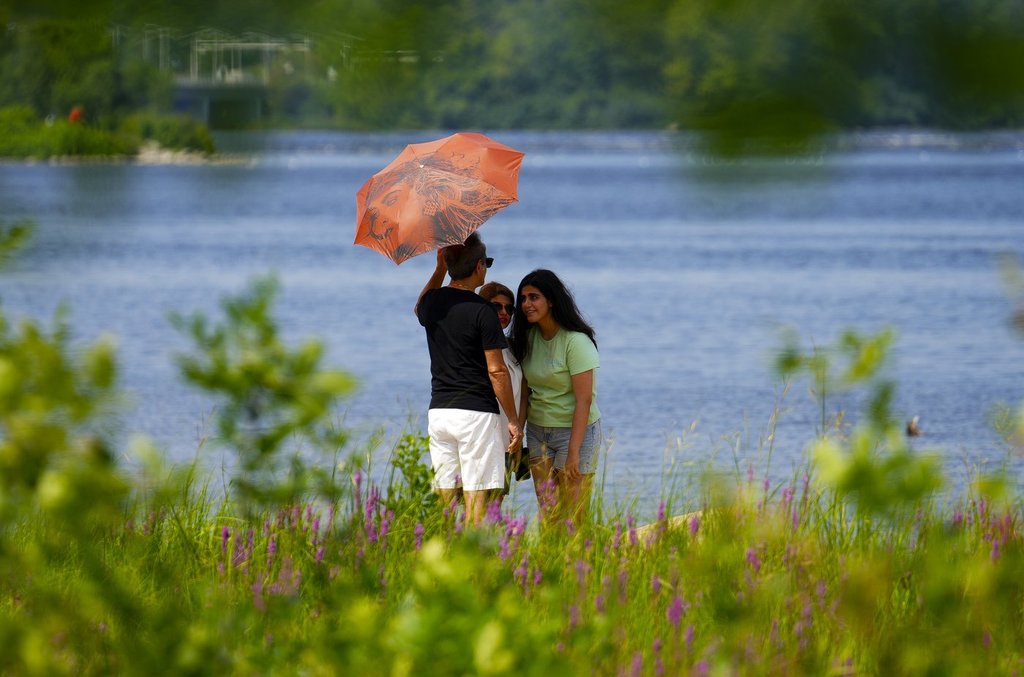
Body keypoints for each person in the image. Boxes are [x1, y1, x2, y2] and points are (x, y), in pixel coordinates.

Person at [415, 233, 523, 525]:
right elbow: (497, 370)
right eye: (485, 263)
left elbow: (419, 308)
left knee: (446, 497)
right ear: (478, 267)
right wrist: (513, 421)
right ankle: (473, 564)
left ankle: (446, 558)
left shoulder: (433, 303)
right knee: (477, 499)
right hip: (476, 414)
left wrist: (439, 269)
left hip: (439, 413)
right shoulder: (482, 310)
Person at [509, 269, 601, 524]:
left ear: (551, 300)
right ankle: (550, 563)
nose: (526, 304)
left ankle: (581, 563)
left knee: (575, 516)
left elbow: (584, 400)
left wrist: (573, 451)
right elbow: (526, 393)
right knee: (549, 513)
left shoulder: (576, 341)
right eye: (523, 298)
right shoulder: (527, 338)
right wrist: (518, 430)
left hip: (574, 432)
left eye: (534, 297)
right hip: (538, 432)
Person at [479, 281, 529, 489]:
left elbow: (524, 394)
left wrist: (519, 430)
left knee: (496, 503)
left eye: (509, 308)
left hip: (509, 437)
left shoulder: (512, 347)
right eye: (496, 306)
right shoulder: (476, 346)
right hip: (484, 436)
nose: (504, 312)